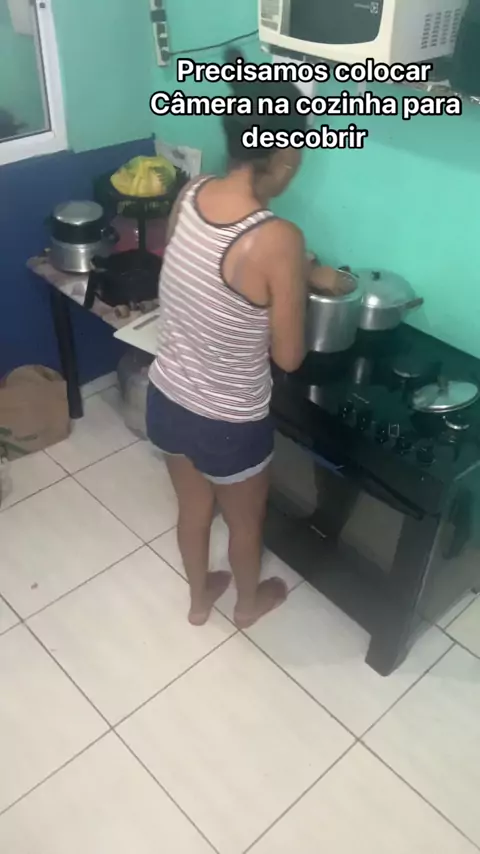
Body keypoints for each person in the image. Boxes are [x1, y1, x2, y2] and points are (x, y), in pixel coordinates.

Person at [147, 48, 347, 628]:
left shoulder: (191, 193)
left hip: (168, 397)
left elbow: (206, 277)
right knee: (245, 522)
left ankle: (198, 601)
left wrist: (298, 272)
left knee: (193, 510)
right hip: (229, 421)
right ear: (284, 156)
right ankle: (247, 604)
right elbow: (288, 356)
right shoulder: (278, 237)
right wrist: (296, 286)